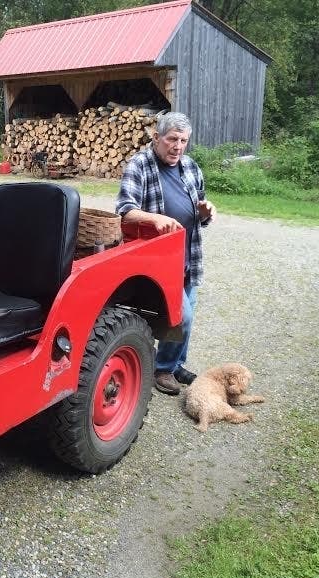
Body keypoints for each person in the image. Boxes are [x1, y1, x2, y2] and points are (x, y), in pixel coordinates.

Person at [115, 112, 216, 395]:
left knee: (189, 313)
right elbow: (124, 209)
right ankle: (162, 370)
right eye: (172, 139)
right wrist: (152, 218)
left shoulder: (191, 167)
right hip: (157, 259)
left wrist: (204, 212)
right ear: (156, 138)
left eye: (183, 140)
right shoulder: (140, 164)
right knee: (180, 315)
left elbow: (198, 213)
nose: (178, 146)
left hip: (187, 255)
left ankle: (173, 363)